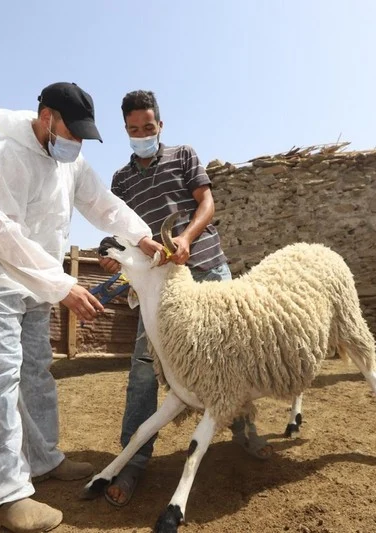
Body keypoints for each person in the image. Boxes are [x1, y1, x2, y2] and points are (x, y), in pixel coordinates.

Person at [0, 82, 158, 532]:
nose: (77, 143)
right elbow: (2, 233)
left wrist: (139, 234)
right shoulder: (1, 156)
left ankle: (43, 460)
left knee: (36, 372)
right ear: (46, 116)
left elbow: (102, 205)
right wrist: (63, 285)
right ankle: (5, 494)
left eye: (84, 136)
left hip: (36, 285)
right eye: (72, 132)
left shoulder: (72, 162)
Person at [97, 90, 272, 508]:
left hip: (206, 267)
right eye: (134, 130)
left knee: (236, 354)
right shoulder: (120, 180)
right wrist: (110, 255)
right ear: (126, 130)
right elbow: (117, 233)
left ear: (160, 126)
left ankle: (244, 432)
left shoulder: (185, 156)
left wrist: (186, 237)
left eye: (149, 128)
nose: (142, 135)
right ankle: (134, 461)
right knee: (144, 369)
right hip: (160, 286)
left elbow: (206, 202)